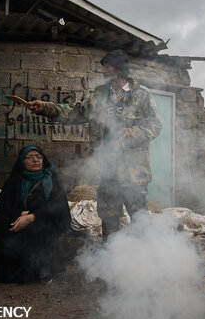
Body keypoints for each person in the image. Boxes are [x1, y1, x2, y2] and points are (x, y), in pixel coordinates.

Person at [28, 49, 162, 237]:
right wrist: (46, 108)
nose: (103, 71)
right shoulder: (98, 95)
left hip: (134, 173)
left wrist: (132, 133)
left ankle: (145, 260)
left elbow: (155, 124)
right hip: (107, 170)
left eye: (107, 66)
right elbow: (74, 113)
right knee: (108, 219)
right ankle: (112, 259)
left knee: (139, 220)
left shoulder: (142, 95)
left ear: (120, 69)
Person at [0, 146, 72, 283]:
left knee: (38, 228)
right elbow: (2, 207)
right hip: (16, 220)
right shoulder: (14, 181)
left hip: (43, 221)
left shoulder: (52, 182)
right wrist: (19, 216)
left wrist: (31, 217)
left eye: (38, 157)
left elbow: (59, 208)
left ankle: (43, 267)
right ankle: (13, 269)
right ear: (22, 161)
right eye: (30, 157)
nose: (35, 160)